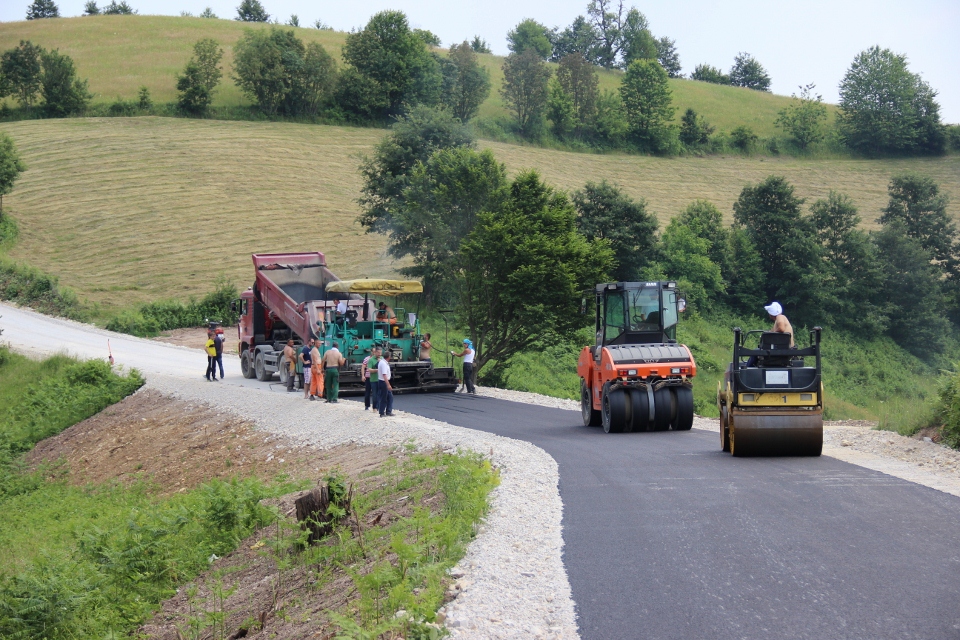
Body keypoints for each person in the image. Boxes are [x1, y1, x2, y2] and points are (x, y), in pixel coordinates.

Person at [362, 346, 380, 411]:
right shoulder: (367, 359)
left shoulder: (378, 359)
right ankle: (367, 405)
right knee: (368, 392)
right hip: (368, 377)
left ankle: (376, 406)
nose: (375, 352)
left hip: (375, 377)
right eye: (374, 351)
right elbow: (363, 367)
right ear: (371, 352)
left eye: (376, 351)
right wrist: (363, 376)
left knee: (376, 393)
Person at [378, 348, 394, 417]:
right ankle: (381, 412)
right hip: (384, 382)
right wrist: (388, 385)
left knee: (390, 397)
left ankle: (388, 411)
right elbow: (384, 375)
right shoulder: (384, 364)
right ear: (389, 357)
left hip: (383, 381)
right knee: (384, 397)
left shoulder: (382, 362)